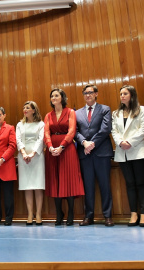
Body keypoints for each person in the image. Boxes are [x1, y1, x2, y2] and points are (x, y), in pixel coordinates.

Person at [75, 84, 114, 226]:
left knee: (105, 185)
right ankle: (89, 216)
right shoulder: (77, 113)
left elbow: (106, 129)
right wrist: (84, 142)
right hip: (85, 153)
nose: (88, 95)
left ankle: (108, 216)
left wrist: (92, 144)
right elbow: (75, 131)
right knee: (88, 186)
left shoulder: (105, 109)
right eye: (85, 93)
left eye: (91, 92)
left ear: (96, 94)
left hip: (101, 152)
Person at [44, 89, 84, 226]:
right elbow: (46, 133)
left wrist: (61, 147)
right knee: (55, 180)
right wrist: (50, 147)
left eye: (56, 95)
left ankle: (71, 213)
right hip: (52, 150)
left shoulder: (70, 112)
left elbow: (72, 131)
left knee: (68, 180)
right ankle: (59, 213)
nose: (54, 98)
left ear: (62, 98)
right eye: (52, 96)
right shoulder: (48, 115)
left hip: (67, 149)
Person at [111, 85, 144, 227]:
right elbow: (114, 131)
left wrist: (130, 142)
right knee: (130, 184)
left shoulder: (141, 110)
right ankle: (134, 213)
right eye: (121, 94)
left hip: (137, 150)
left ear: (132, 95)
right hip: (123, 152)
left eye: (125, 93)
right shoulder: (116, 113)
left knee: (141, 183)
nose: (122, 96)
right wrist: (121, 142)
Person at [16, 101, 45, 225]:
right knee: (27, 186)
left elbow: (41, 139)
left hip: (37, 157)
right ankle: (29, 214)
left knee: (38, 186)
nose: (25, 109)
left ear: (34, 110)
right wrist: (23, 153)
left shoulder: (41, 124)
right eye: (24, 107)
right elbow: (18, 139)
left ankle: (38, 214)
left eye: (28, 107)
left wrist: (32, 154)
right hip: (23, 158)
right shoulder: (20, 124)